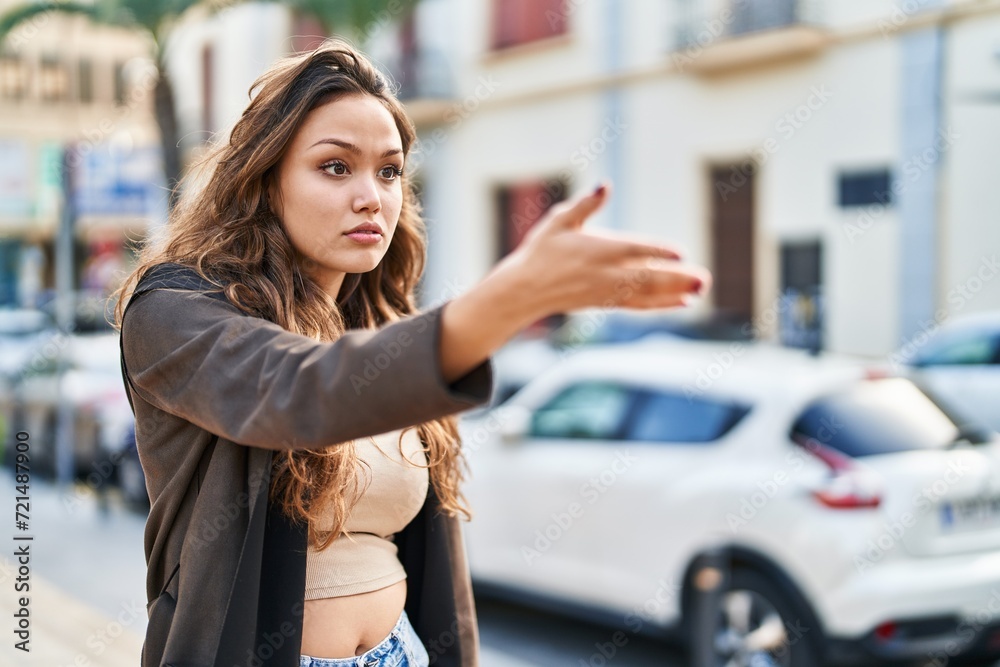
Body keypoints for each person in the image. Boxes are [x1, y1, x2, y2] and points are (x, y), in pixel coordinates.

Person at [114, 39, 710, 667]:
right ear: (264, 183)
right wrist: (510, 297)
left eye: (390, 171)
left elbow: (443, 580)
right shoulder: (173, 311)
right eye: (336, 167)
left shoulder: (380, 329)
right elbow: (299, 393)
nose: (372, 196)